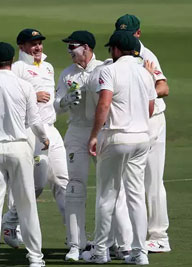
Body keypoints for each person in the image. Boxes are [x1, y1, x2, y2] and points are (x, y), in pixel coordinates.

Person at [0, 41, 48, 267]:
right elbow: (34, 120)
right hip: (19, 147)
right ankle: (35, 258)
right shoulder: (24, 86)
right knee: (26, 204)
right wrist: (44, 138)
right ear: (12, 61)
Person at [55, 31, 132, 261]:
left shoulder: (105, 68)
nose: (69, 52)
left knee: (112, 187)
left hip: (102, 131)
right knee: (75, 187)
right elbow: (56, 107)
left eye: (72, 47)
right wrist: (64, 101)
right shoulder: (67, 74)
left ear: (86, 47)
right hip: (77, 132)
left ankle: (123, 244)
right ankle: (75, 245)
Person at [85, 31, 157, 265]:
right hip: (141, 138)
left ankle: (100, 252)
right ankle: (140, 253)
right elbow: (150, 109)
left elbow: (104, 103)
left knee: (107, 196)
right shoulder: (146, 73)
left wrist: (94, 135)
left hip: (117, 136)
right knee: (136, 196)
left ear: (115, 50)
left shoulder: (109, 70)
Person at [2, 28, 69, 248]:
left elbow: (53, 103)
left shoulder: (48, 67)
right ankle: (11, 221)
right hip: (30, 132)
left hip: (51, 129)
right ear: (21, 47)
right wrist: (32, 95)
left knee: (62, 182)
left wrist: (65, 102)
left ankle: (75, 239)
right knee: (36, 185)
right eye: (32, 44)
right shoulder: (18, 68)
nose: (38, 47)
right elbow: (9, 97)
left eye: (40, 43)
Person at [115, 14, 171, 253]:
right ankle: (130, 237)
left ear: (138, 33)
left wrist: (146, 89)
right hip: (133, 123)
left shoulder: (146, 55)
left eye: (129, 33)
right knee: (130, 181)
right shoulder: (119, 56)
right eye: (121, 32)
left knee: (152, 180)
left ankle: (159, 236)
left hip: (152, 120)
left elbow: (163, 87)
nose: (125, 37)